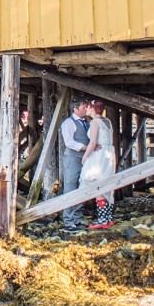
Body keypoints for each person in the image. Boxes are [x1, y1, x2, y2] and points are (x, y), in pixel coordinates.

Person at [81, 99, 117, 229]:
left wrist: (85, 157)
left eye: (88, 107)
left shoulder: (94, 122)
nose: (86, 109)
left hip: (99, 155)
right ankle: (108, 218)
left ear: (93, 109)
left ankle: (102, 220)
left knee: (97, 182)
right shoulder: (107, 121)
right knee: (106, 183)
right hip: (109, 153)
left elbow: (93, 143)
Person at [58, 98, 91, 232]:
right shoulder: (68, 123)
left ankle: (77, 218)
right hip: (73, 158)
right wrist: (86, 147)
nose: (86, 109)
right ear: (75, 109)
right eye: (83, 107)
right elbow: (69, 142)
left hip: (85, 158)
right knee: (70, 187)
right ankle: (68, 220)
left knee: (81, 186)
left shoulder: (87, 122)